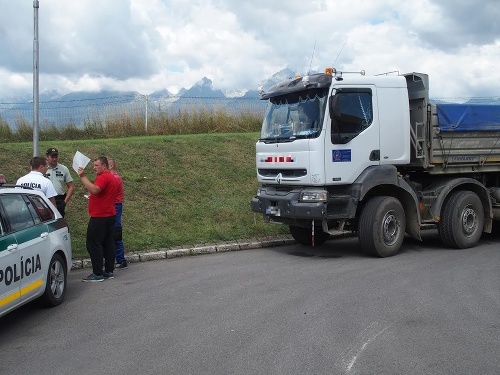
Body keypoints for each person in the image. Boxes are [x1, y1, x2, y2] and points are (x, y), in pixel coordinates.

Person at [78, 156, 119, 282]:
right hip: (109, 214)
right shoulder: (111, 177)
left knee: (93, 244)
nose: (94, 168)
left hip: (100, 216)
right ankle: (108, 270)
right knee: (108, 243)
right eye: (94, 165)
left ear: (104, 166)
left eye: (96, 165)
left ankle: (97, 273)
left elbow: (95, 190)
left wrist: (83, 177)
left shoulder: (104, 177)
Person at [108, 158, 128, 269]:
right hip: (114, 205)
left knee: (116, 232)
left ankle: (120, 259)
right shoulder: (115, 177)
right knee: (112, 232)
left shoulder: (115, 178)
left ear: (110, 166)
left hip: (115, 205)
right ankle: (117, 258)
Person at [45, 147, 75, 217]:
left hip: (59, 199)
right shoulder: (43, 168)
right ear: (47, 157)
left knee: (58, 222)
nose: (54, 159)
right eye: (52, 157)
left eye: (56, 156)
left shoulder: (63, 168)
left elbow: (71, 186)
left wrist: (65, 202)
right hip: (45, 199)